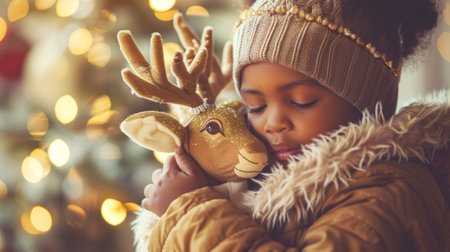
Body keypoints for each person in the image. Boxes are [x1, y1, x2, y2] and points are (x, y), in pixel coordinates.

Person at [137, 0, 450, 251]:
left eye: (301, 101)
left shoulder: (385, 193)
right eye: (256, 106)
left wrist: (189, 210)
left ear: (366, 102)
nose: (273, 123)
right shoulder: (258, 181)